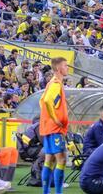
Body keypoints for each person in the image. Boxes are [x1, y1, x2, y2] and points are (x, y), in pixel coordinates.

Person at [40, 56, 69, 194]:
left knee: (49, 160)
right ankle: (58, 192)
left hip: (49, 128)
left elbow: (42, 101)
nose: (67, 68)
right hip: (55, 128)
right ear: (58, 68)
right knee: (61, 160)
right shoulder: (56, 83)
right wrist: (55, 118)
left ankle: (46, 192)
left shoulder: (52, 83)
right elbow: (46, 101)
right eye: (65, 65)